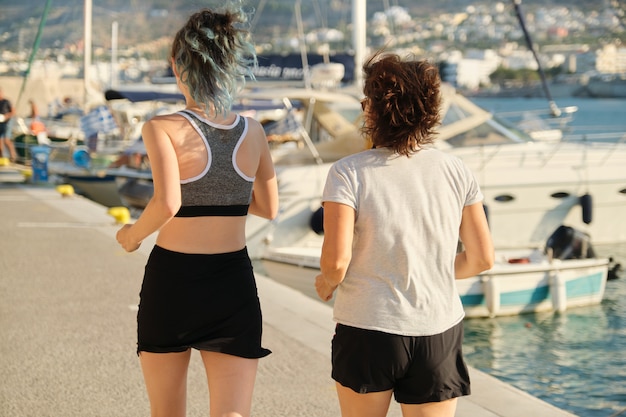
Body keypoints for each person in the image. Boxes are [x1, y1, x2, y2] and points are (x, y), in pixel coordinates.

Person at [115, 4, 278, 417]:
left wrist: (131, 236)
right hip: (232, 282)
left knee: (167, 411)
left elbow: (168, 203)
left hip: (174, 280)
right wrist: (225, 193)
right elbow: (268, 207)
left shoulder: (162, 127)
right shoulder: (254, 131)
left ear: (177, 65)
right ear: (228, 66)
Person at [315, 51, 494, 417]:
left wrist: (326, 283)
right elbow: (481, 258)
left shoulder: (348, 172)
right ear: (431, 109)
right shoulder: (456, 170)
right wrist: (432, 271)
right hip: (437, 328)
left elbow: (336, 260)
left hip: (367, 325)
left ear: (371, 109)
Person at [0, 87, 16, 161]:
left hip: (7, 122)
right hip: (1, 122)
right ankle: (1, 156)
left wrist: (7, 116)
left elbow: (13, 112)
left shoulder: (6, 101)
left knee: (6, 140)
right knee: (0, 141)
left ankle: (13, 156)